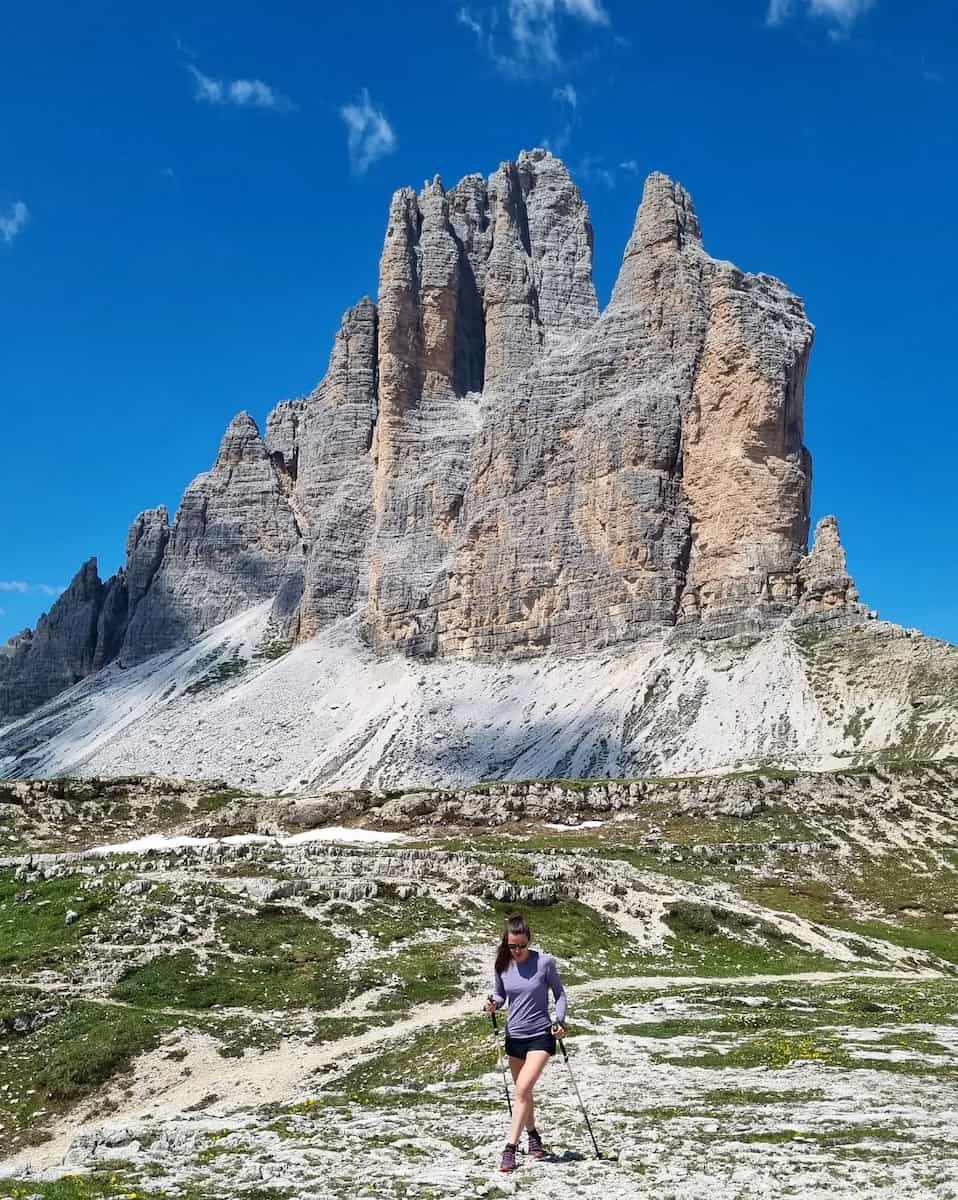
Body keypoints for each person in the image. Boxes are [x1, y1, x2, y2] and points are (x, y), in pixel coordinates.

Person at [483, 912, 567, 1172]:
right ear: (506, 943)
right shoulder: (503, 965)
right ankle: (534, 1137)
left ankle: (510, 1148)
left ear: (529, 940)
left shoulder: (544, 963)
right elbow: (500, 994)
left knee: (521, 1090)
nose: (517, 950)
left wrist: (560, 1020)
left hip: (540, 1035)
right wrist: (493, 1003)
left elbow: (560, 993)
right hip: (514, 1037)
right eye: (512, 946)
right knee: (525, 1092)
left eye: (521, 945)